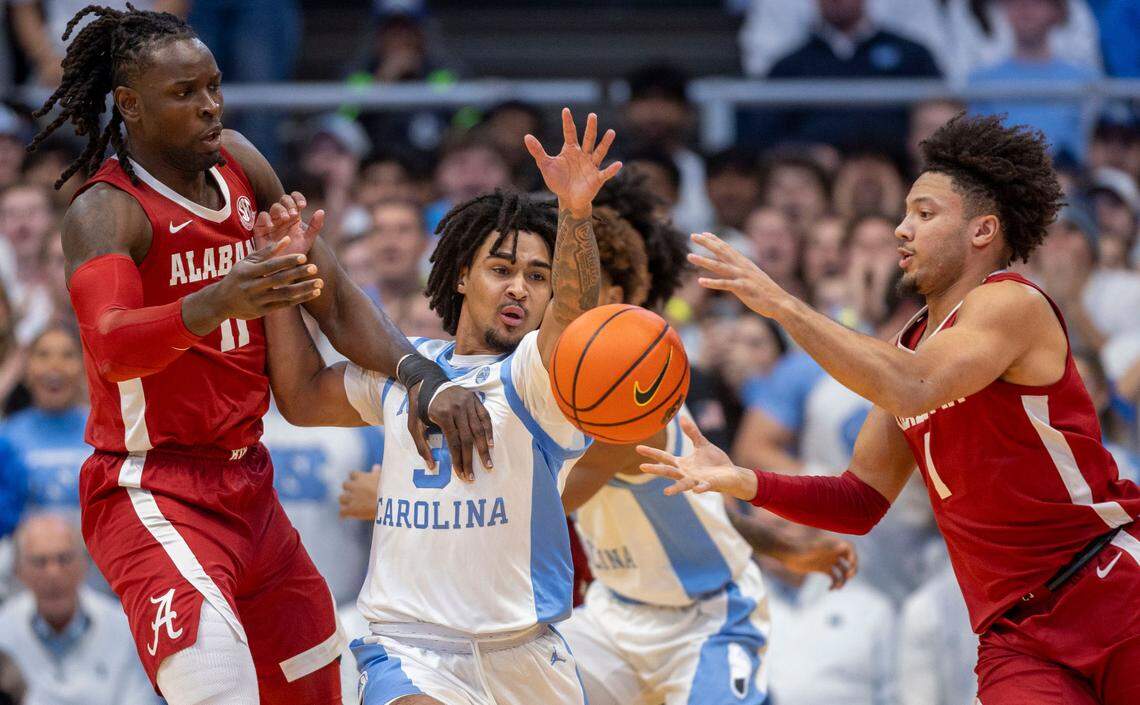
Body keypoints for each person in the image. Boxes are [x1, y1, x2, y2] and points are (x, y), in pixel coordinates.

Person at [25, 6, 491, 704]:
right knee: (219, 689)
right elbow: (113, 345)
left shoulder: (242, 162)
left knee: (320, 693)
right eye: (184, 93)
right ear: (131, 106)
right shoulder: (106, 211)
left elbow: (330, 294)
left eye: (212, 85)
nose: (210, 104)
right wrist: (219, 298)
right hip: (152, 488)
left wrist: (420, 373)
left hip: (250, 484)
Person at [638, 113, 1140, 704]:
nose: (903, 230)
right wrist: (745, 479)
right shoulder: (908, 348)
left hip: (1106, 589)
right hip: (1015, 634)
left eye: (924, 214)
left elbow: (915, 387)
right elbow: (860, 501)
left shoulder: (1011, 303)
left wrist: (781, 304)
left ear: (982, 231)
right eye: (906, 213)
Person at [266, 109, 620, 705]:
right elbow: (301, 397)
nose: (519, 288)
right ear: (460, 277)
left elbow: (575, 318)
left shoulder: (536, 375)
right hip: (408, 649)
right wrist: (280, 280)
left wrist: (576, 214)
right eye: (501, 270)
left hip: (526, 654)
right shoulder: (408, 366)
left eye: (537, 277)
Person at [0, 514, 155, 705]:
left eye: (64, 559)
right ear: (18, 571)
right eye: (39, 562)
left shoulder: (126, 628)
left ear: (85, 563)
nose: (53, 573)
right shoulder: (3, 631)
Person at [1, 326, 88, 519]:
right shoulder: (6, 436)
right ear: (26, 371)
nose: (55, 365)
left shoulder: (104, 434)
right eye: (43, 355)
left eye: (67, 355)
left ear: (84, 368)